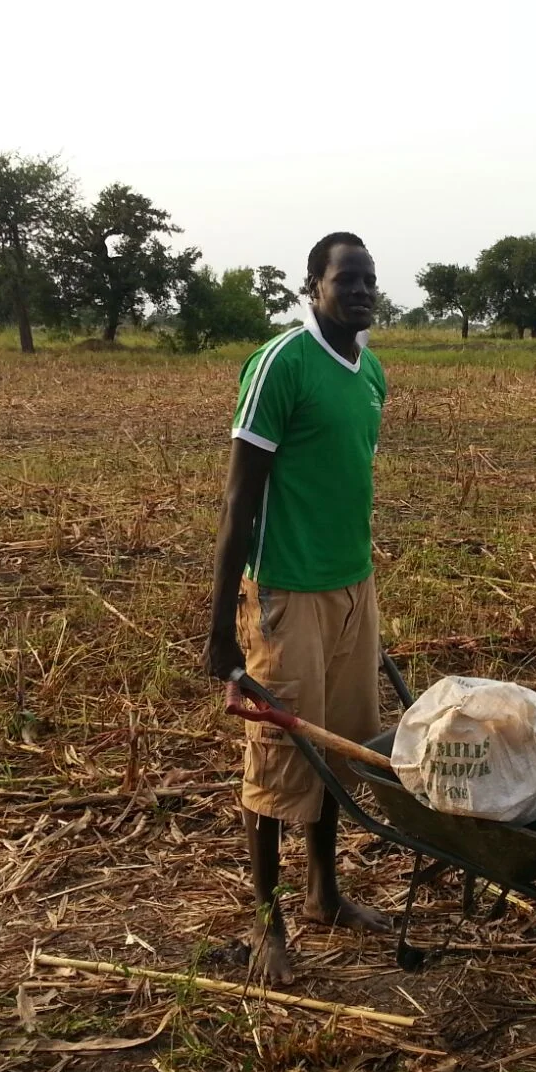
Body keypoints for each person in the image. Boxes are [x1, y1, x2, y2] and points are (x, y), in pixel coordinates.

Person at [205, 231, 391, 984]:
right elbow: (239, 501)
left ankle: (324, 894)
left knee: (338, 749)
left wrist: (360, 599)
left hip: (352, 587)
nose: (361, 291)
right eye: (346, 279)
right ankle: (267, 925)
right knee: (276, 760)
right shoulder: (281, 363)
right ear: (313, 285)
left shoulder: (371, 372)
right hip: (285, 592)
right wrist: (221, 629)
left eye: (369, 279)